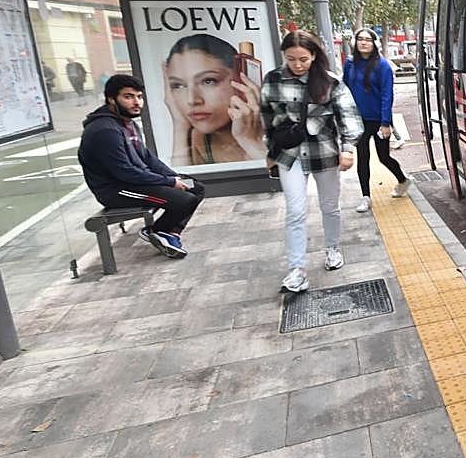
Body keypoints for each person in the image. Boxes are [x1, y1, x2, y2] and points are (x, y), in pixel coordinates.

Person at [261, 30, 364, 294]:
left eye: (303, 59)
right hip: (289, 154)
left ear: (314, 56)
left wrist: (348, 148)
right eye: (291, 59)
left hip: (324, 152)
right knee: (295, 211)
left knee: (329, 206)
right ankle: (297, 270)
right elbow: (266, 118)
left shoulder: (330, 82)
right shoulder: (272, 80)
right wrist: (269, 150)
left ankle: (332, 248)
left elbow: (349, 118)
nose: (297, 65)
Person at [78, 74, 205, 258]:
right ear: (111, 99)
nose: (136, 102)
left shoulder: (127, 124)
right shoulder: (104, 130)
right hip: (118, 191)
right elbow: (125, 173)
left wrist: (174, 177)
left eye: (139, 97)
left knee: (196, 188)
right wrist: (169, 182)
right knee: (183, 200)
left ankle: (169, 233)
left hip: (136, 182)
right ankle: (158, 231)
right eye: (128, 97)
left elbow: (147, 159)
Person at [163, 34, 264, 166]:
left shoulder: (276, 125)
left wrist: (251, 142)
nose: (192, 100)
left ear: (241, 80)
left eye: (208, 81)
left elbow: (286, 180)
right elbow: (182, 183)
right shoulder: (199, 138)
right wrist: (180, 126)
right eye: (178, 85)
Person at [343, 28, 409, 210]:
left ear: (374, 44)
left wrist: (385, 123)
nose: (364, 42)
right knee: (362, 157)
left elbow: (387, 95)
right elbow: (344, 91)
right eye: (360, 39)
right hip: (358, 121)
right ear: (355, 43)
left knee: (384, 157)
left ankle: (403, 180)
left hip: (379, 120)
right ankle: (366, 197)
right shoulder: (349, 64)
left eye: (368, 40)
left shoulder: (383, 66)